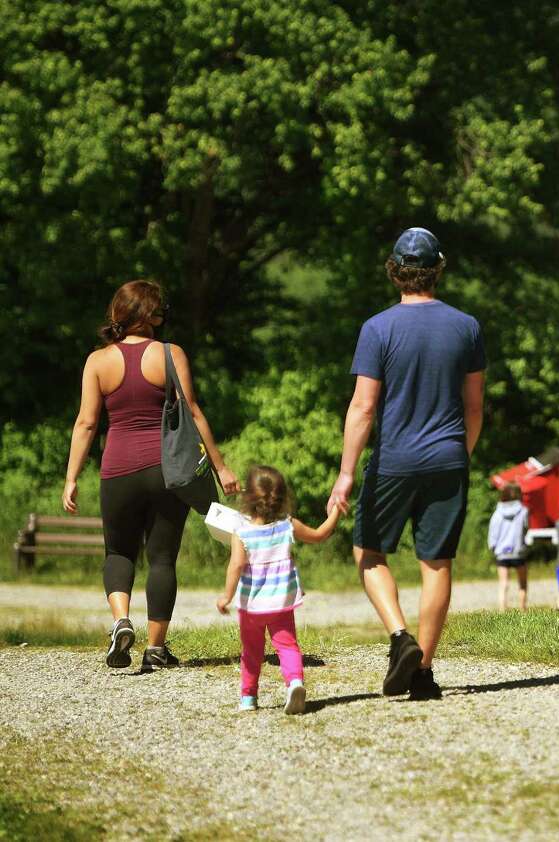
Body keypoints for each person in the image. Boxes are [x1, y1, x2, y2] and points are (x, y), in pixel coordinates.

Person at [327, 227, 486, 700]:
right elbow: (475, 407)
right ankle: (424, 673)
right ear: (438, 269)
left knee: (369, 551)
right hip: (449, 456)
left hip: (394, 460)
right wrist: (460, 454)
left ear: (395, 271)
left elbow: (363, 407)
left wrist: (346, 472)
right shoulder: (467, 326)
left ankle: (401, 637)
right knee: (436, 564)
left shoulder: (378, 328)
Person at [62, 280, 239, 671]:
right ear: (152, 316)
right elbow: (193, 412)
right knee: (161, 558)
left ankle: (120, 620)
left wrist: (71, 476)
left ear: (117, 313)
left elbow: (86, 424)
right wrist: (221, 467)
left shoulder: (98, 361)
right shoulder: (170, 354)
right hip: (166, 471)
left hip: (117, 470)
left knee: (118, 551)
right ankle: (156, 649)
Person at [216, 465, 345, 714]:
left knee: (251, 652)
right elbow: (319, 534)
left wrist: (226, 596)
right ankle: (295, 682)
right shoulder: (288, 526)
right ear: (282, 498)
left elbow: (236, 566)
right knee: (287, 647)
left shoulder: (241, 532)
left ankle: (248, 698)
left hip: (252, 607)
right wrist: (336, 512)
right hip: (282, 604)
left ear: (247, 498)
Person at [488, 483, 529, 611]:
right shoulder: (523, 511)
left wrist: (493, 546)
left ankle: (502, 609)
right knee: (522, 583)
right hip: (518, 551)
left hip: (502, 553)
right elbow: (526, 527)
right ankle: (523, 609)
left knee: (503, 584)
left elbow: (493, 532)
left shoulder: (497, 513)